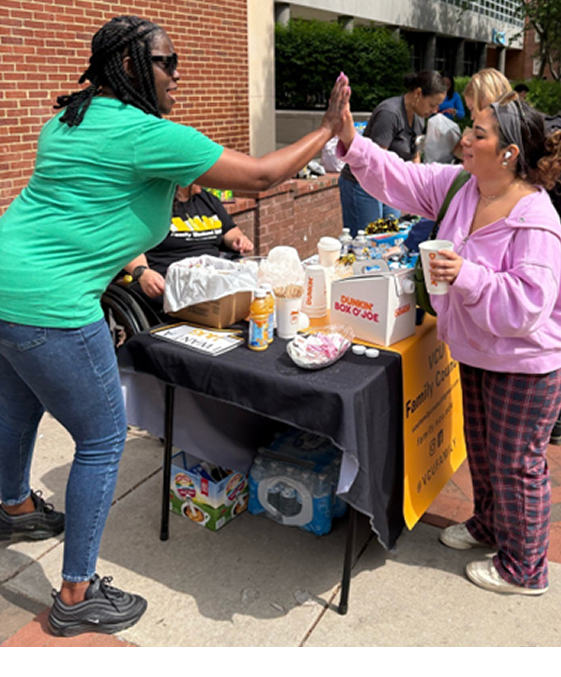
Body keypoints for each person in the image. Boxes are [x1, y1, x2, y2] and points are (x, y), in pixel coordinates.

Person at [0, 15, 349, 638]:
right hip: (52, 304)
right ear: (133, 67)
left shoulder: (68, 120)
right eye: (167, 62)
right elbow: (266, 175)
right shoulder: (145, 134)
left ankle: (14, 507)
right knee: (104, 439)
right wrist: (325, 129)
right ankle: (76, 592)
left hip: (6, 281)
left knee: (17, 406)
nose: (178, 74)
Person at [337, 91, 561, 595]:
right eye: (471, 128)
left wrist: (466, 276)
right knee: (486, 452)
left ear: (509, 153)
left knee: (518, 462)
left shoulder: (535, 219)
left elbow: (528, 305)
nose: (465, 138)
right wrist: (351, 141)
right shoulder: (463, 188)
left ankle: (526, 567)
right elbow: (402, 176)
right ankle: (490, 525)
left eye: (480, 132)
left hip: (529, 362)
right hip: (478, 350)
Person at [338, 70, 446, 236]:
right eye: (432, 105)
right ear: (418, 93)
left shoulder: (418, 118)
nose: (434, 110)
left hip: (389, 183)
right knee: (367, 241)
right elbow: (376, 161)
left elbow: (414, 156)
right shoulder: (389, 114)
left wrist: (418, 191)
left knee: (391, 236)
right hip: (362, 183)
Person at [123, 183, 254, 304]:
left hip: (212, 279)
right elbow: (128, 246)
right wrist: (142, 272)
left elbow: (230, 230)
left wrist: (238, 239)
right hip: (171, 283)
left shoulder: (207, 200)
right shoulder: (151, 204)